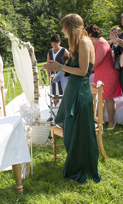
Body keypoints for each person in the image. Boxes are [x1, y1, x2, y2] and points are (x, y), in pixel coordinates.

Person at [43, 13, 101, 184]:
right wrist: (61, 66)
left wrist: (60, 66)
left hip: (80, 92)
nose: (62, 31)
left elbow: (84, 71)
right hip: (73, 89)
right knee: (70, 131)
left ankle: (79, 171)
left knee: (78, 134)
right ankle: (75, 166)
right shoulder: (77, 43)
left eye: (64, 27)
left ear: (71, 27)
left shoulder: (84, 42)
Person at [85, 24, 122, 130]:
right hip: (100, 75)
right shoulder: (95, 43)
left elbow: (96, 62)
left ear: (90, 34)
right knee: (98, 98)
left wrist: (84, 71)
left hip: (109, 74)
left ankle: (112, 122)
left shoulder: (101, 43)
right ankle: (100, 120)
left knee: (109, 99)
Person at [47, 34, 69, 105]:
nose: (53, 46)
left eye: (55, 44)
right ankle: (55, 111)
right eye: (52, 44)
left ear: (59, 42)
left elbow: (69, 63)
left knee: (63, 94)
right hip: (53, 76)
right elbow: (48, 65)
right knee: (55, 94)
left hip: (62, 76)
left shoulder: (64, 51)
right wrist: (48, 75)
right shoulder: (50, 52)